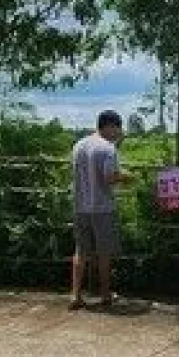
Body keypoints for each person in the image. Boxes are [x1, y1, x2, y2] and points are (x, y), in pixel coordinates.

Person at [70, 110, 129, 310]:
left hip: (80, 205)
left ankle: (76, 295)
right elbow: (110, 177)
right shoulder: (108, 149)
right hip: (102, 207)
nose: (118, 133)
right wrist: (127, 177)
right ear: (110, 126)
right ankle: (105, 295)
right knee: (104, 253)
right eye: (117, 128)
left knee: (81, 251)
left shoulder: (79, 145)